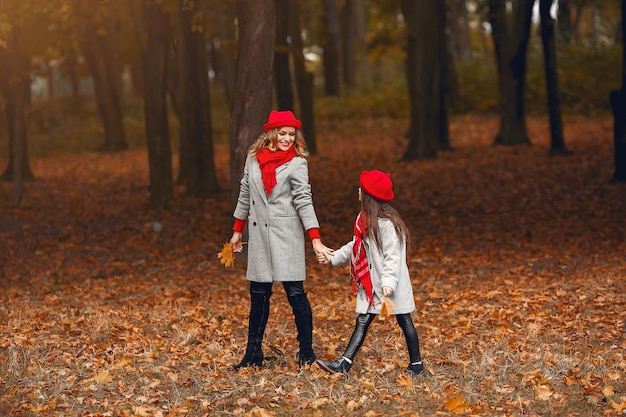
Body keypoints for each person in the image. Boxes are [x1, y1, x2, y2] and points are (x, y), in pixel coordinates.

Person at [230, 110, 333, 370]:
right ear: (271, 134)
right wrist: (237, 229)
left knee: (296, 294)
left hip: (286, 235)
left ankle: (306, 352)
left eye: (291, 134)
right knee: (258, 296)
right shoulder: (253, 159)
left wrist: (315, 238)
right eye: (282, 133)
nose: (287, 139)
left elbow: (303, 199)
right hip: (260, 235)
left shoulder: (297, 163)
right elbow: (245, 191)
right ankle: (253, 353)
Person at [316, 170, 424, 376]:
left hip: (390, 284)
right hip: (371, 282)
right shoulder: (364, 219)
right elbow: (356, 246)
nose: (358, 190)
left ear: (368, 196)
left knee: (404, 320)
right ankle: (344, 363)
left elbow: (393, 256)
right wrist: (333, 257)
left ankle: (417, 365)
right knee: (363, 320)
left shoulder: (387, 225)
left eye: (361, 189)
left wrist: (389, 283)